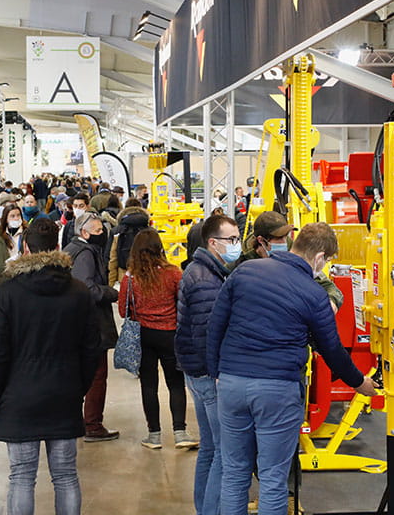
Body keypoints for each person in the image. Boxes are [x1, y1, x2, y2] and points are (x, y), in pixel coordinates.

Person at [207, 222, 378, 515]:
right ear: (320, 258)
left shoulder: (244, 272)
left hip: (232, 383)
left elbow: (215, 326)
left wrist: (217, 374)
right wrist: (359, 382)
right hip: (277, 388)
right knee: (273, 479)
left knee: (235, 473)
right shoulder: (313, 293)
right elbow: (331, 349)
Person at [0, 218, 101, 515]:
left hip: (17, 398)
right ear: (57, 247)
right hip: (63, 392)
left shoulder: (7, 293)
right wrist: (79, 387)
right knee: (65, 475)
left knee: (21, 476)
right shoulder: (78, 291)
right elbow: (91, 348)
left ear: (25, 247)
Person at [175, 214, 238, 515]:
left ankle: (204, 508)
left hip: (195, 371)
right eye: (232, 241)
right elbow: (207, 334)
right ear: (213, 243)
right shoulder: (206, 281)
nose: (236, 246)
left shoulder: (202, 271)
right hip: (207, 375)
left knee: (211, 449)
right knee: (225, 454)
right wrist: (217, 374)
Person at [118, 229, 198, 450]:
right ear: (159, 247)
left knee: (149, 384)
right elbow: (183, 302)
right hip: (170, 333)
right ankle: (180, 432)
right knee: (175, 384)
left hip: (143, 335)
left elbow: (123, 309)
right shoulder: (173, 274)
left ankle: (154, 435)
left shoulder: (130, 278)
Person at [64, 213, 120, 442]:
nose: (102, 234)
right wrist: (111, 293)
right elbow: (86, 286)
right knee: (97, 375)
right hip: (92, 323)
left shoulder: (70, 249)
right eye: (97, 231)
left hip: (75, 322)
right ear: (84, 233)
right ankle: (93, 424)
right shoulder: (86, 253)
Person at [107, 204, 150, 286]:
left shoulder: (117, 231)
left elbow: (112, 261)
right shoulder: (151, 231)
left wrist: (111, 285)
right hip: (148, 278)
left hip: (124, 279)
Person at [0, 203, 26, 279]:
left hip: (23, 277)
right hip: (3, 279)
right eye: (12, 216)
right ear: (6, 219)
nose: (16, 218)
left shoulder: (27, 234)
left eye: (18, 215)